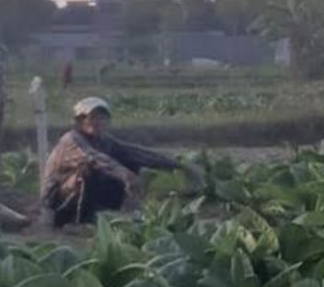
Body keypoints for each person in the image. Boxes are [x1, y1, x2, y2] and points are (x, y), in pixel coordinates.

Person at [41, 97, 204, 227]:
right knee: (90, 169)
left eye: (102, 118)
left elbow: (136, 152)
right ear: (80, 121)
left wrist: (178, 166)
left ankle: (101, 214)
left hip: (74, 193)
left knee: (129, 161)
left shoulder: (103, 141)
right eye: (92, 117)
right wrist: (125, 175)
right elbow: (95, 158)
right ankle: (77, 222)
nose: (98, 122)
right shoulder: (72, 141)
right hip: (57, 202)